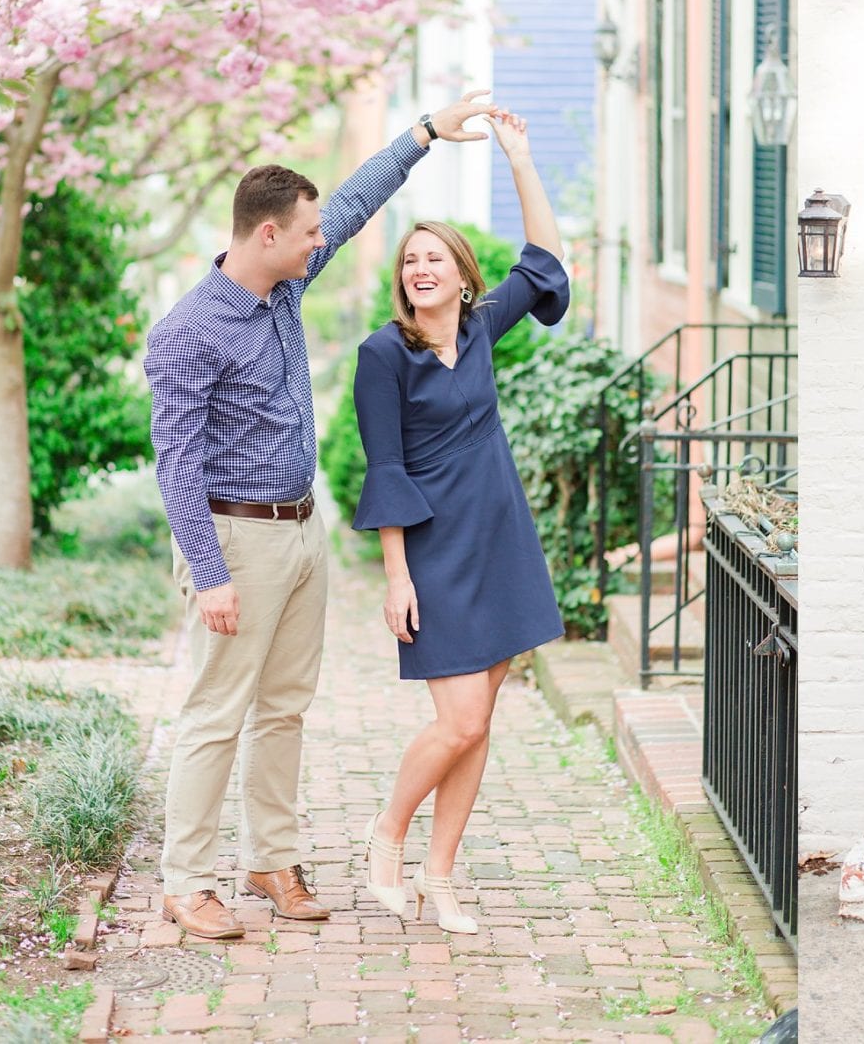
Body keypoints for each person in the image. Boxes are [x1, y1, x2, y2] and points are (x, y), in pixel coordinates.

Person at [143, 92, 500, 941]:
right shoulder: (188, 331)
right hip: (236, 537)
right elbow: (175, 464)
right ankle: (186, 881)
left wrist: (422, 135)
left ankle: (271, 859)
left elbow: (348, 202)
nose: (320, 243)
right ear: (267, 234)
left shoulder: (286, 288)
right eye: (306, 235)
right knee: (215, 711)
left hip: (302, 529)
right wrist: (211, 571)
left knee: (285, 705)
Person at [352, 109, 569, 933]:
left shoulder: (480, 330)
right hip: (437, 554)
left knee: (481, 723)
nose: (419, 270)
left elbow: (546, 266)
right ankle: (387, 834)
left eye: (434, 258)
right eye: (410, 262)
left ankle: (439, 878)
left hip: (501, 542)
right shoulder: (385, 355)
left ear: (462, 275)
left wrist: (521, 158)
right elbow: (387, 470)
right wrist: (397, 577)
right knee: (461, 719)